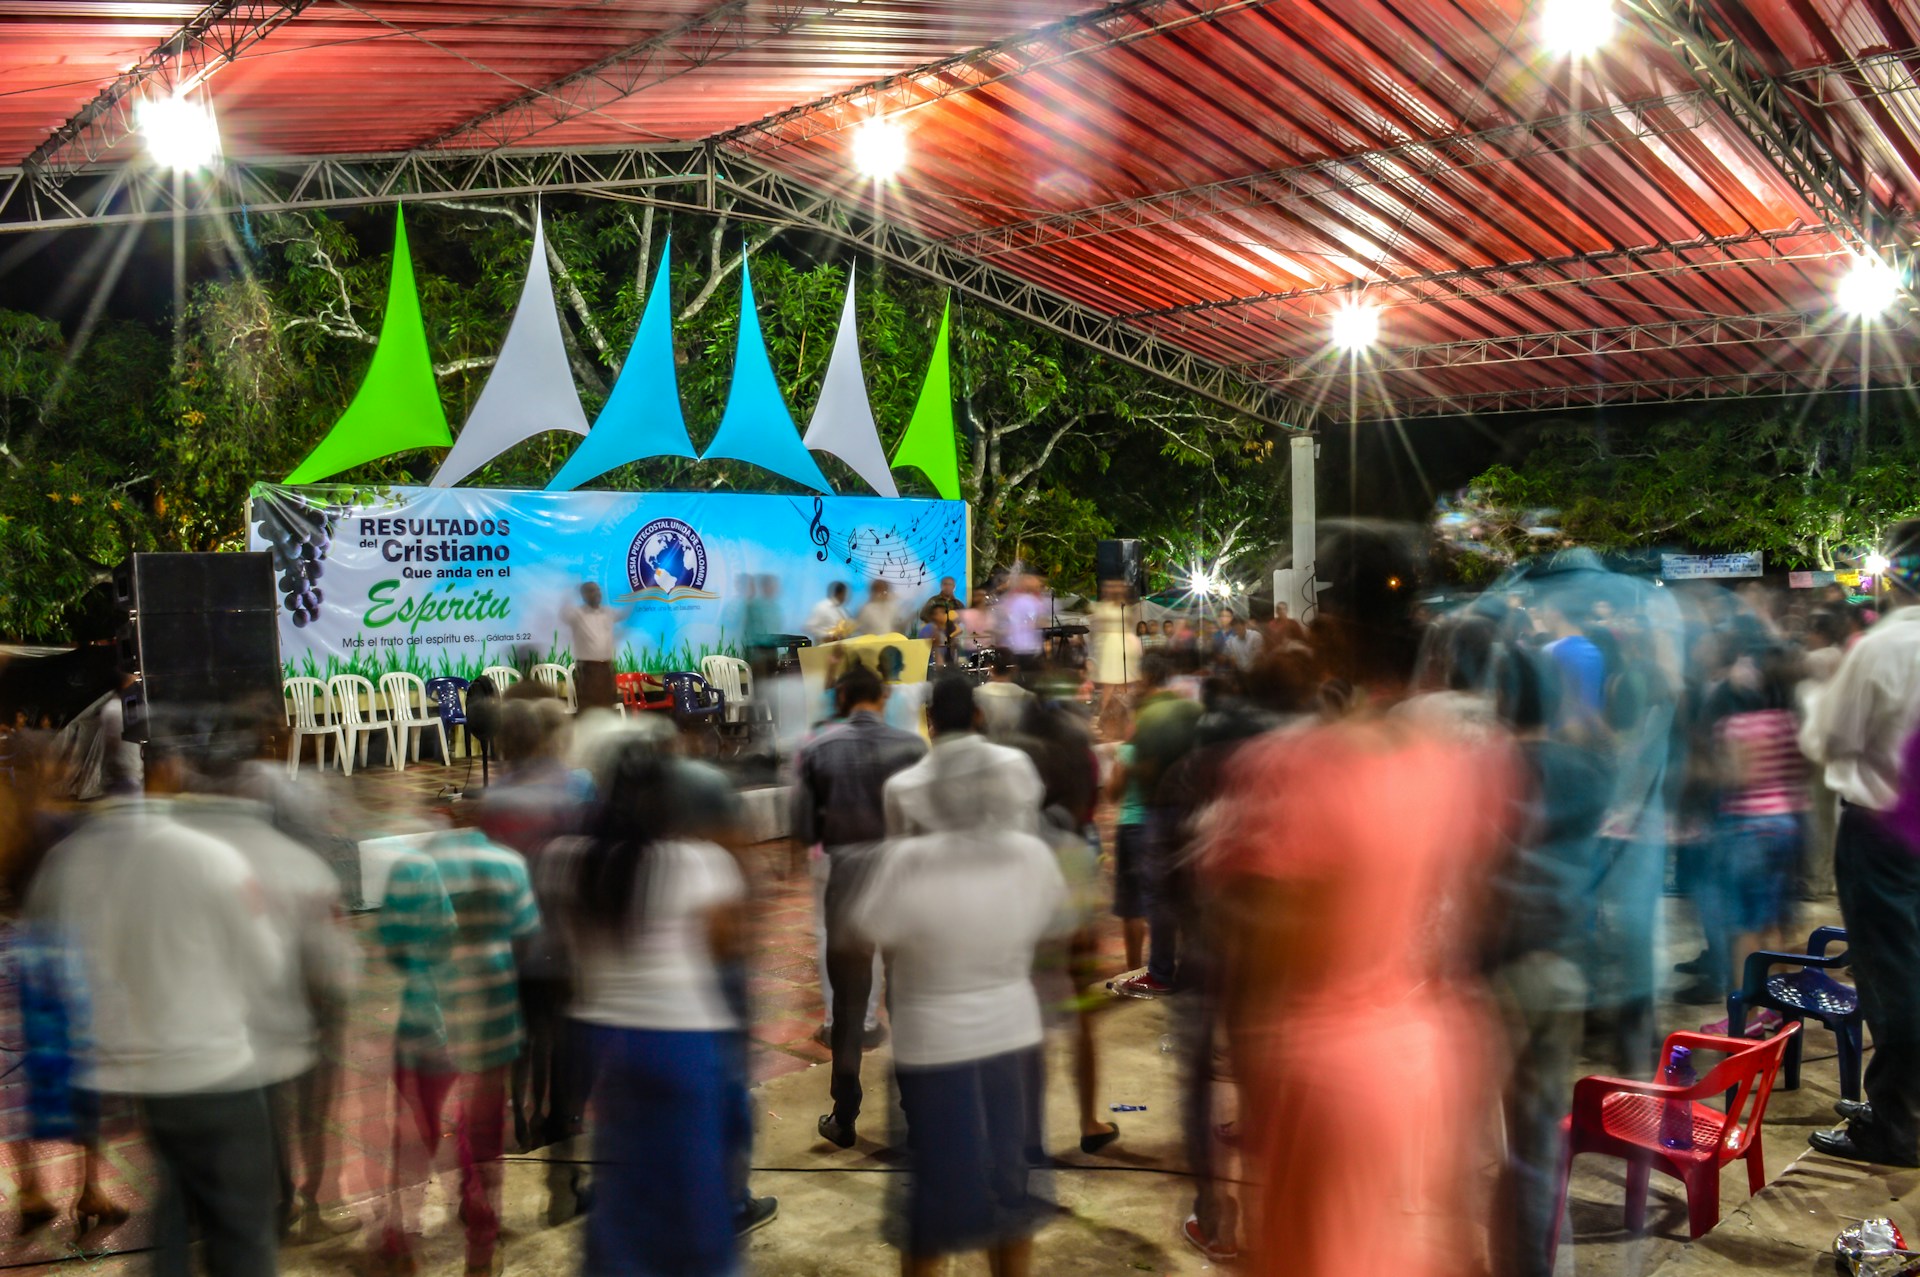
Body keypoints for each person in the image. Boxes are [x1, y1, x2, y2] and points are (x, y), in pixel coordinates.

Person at [28, 743, 287, 1277]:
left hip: (146, 1076)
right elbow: (266, 966)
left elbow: (57, 968)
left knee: (176, 1196)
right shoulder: (210, 855)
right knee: (241, 1226)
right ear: (169, 773)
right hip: (221, 1069)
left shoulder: (73, 858)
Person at [854, 677, 1067, 1277]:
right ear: (977, 717)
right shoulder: (1027, 852)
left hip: (930, 1038)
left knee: (932, 1206)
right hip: (1011, 1029)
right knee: (1011, 1197)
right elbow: (1056, 927)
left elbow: (870, 933)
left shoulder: (907, 849)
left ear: (928, 723)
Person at [547, 741, 756, 1275]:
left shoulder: (566, 860)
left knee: (624, 1180)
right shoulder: (697, 862)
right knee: (696, 1197)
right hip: (681, 1041)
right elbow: (724, 946)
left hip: (606, 1045)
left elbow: (564, 941)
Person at [173, 779, 362, 1246]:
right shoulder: (308, 869)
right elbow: (333, 961)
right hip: (311, 1013)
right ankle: (315, 1205)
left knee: (271, 1116)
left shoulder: (228, 863)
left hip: (253, 1019)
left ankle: (281, 1207)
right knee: (315, 1117)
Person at [1800, 518, 1920, 1167]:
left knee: (1891, 974)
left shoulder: (1885, 647)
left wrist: (1817, 696)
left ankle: (1895, 1122)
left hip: (1883, 828)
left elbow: (1830, 740)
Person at [374, 824, 540, 1277]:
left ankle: (400, 1240)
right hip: (490, 1017)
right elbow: (527, 935)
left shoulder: (412, 867)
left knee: (416, 1132)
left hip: (425, 1017)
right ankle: (481, 1248)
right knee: (484, 1136)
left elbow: (391, 945)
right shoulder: (509, 865)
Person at [790, 665, 927, 1149]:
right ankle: (916, 1111)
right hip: (903, 882)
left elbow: (805, 831)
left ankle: (844, 1115)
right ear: (884, 696)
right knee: (908, 999)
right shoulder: (913, 748)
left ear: (843, 695)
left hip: (847, 881)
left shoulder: (817, 749)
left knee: (848, 1007)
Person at [1112, 655, 1202, 999]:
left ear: (1148, 677)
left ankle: (1162, 972)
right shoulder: (1192, 709)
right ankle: (1194, 967)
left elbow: (1145, 769)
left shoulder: (1148, 716)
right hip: (1193, 811)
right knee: (1191, 893)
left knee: (1160, 898)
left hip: (1159, 813)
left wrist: (1130, 770)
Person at [560, 582, 632, 710]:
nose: (597, 593)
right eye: (592, 591)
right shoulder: (577, 614)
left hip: (607, 668)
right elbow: (563, 615)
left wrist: (633, 595)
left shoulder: (608, 612)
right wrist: (568, 593)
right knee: (590, 708)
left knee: (608, 705)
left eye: (598, 590)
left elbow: (626, 614)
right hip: (588, 670)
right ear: (584, 595)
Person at [1089, 580, 1142, 737]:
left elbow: (1131, 626)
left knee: (1128, 684)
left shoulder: (1126, 607)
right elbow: (1096, 630)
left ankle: (1130, 717)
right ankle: (1103, 718)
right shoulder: (1101, 607)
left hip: (1125, 645)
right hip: (1110, 647)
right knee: (1109, 685)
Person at [974, 655, 1034, 741]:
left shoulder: (976, 694)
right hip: (1020, 747)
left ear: (991, 669)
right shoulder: (1028, 696)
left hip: (986, 746)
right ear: (1013, 669)